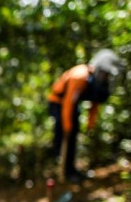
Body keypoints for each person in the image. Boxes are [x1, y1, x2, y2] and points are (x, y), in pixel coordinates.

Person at [47, 49, 124, 183]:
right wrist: (67, 127)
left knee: (74, 134)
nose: (106, 78)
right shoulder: (80, 77)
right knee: (67, 136)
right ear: (99, 70)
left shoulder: (95, 84)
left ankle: (71, 169)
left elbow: (95, 104)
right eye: (106, 74)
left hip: (71, 105)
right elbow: (68, 104)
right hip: (59, 104)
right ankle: (64, 171)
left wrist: (90, 125)